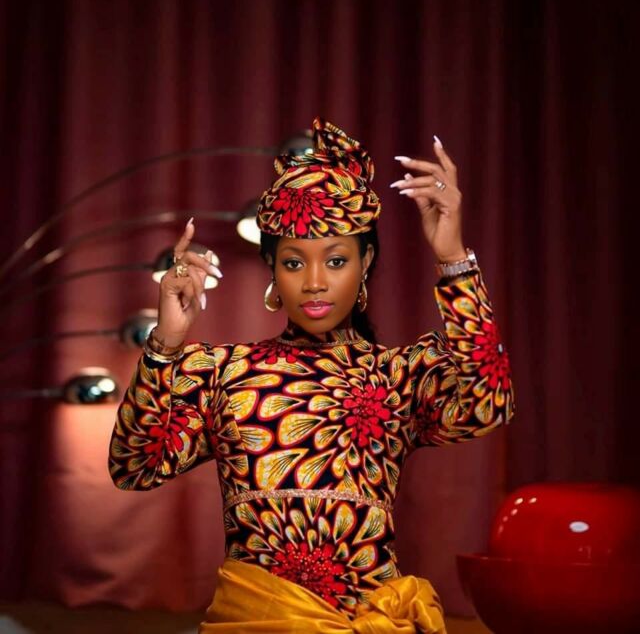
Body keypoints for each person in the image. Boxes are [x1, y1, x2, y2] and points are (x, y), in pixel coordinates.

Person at [109, 117, 515, 633]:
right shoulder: (221, 372)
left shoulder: (397, 374)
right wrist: (165, 343)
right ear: (273, 272)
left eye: (336, 261)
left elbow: (489, 402)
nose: (316, 282)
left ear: (365, 263)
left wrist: (452, 258)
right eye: (295, 263)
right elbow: (134, 466)